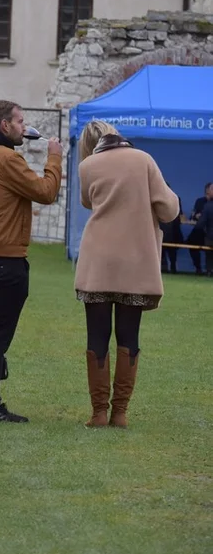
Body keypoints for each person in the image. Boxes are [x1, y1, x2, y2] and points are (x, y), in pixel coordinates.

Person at [0, 100, 62, 423]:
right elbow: (45, 192)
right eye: (20, 121)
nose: (24, 126)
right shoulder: (5, 158)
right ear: (4, 125)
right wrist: (54, 158)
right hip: (6, 260)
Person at [74, 121, 177, 429]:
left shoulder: (87, 165)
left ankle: (98, 413)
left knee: (97, 336)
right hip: (135, 262)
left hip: (97, 262)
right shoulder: (143, 160)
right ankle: (120, 413)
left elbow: (87, 202)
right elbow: (169, 209)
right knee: (129, 336)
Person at [185, 182, 213, 274]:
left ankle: (209, 269)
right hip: (201, 231)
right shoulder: (200, 201)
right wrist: (196, 216)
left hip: (208, 232)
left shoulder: (209, 206)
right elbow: (193, 217)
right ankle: (198, 268)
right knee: (191, 241)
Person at [160, 185, 185, 274]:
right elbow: (180, 216)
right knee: (171, 250)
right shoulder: (176, 198)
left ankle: (163, 268)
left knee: (162, 249)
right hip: (173, 232)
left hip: (163, 231)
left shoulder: (157, 199)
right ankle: (173, 267)